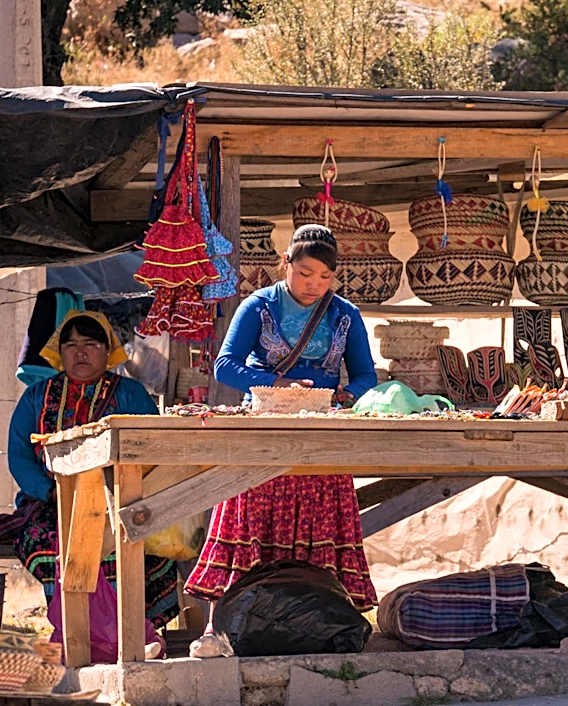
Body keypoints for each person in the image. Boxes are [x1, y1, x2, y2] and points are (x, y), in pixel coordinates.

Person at [186, 224, 378, 658]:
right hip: (263, 437)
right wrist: (276, 382)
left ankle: (324, 624)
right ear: (285, 265)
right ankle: (217, 630)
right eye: (305, 273)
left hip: (321, 440)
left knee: (319, 529)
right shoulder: (258, 306)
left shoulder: (344, 313)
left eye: (325, 277)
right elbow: (226, 366)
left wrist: (349, 395)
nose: (314, 285)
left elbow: (366, 374)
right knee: (245, 527)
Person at [7, 311, 179, 648]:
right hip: (49, 505)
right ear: (60, 353)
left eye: (90, 344)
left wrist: (117, 494)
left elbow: (153, 447)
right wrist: (51, 492)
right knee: (48, 544)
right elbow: (20, 456)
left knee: (140, 543)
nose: (80, 353)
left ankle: (131, 634)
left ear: (107, 351)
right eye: (71, 345)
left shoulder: (130, 394)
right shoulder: (36, 398)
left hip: (121, 502)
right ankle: (79, 633)